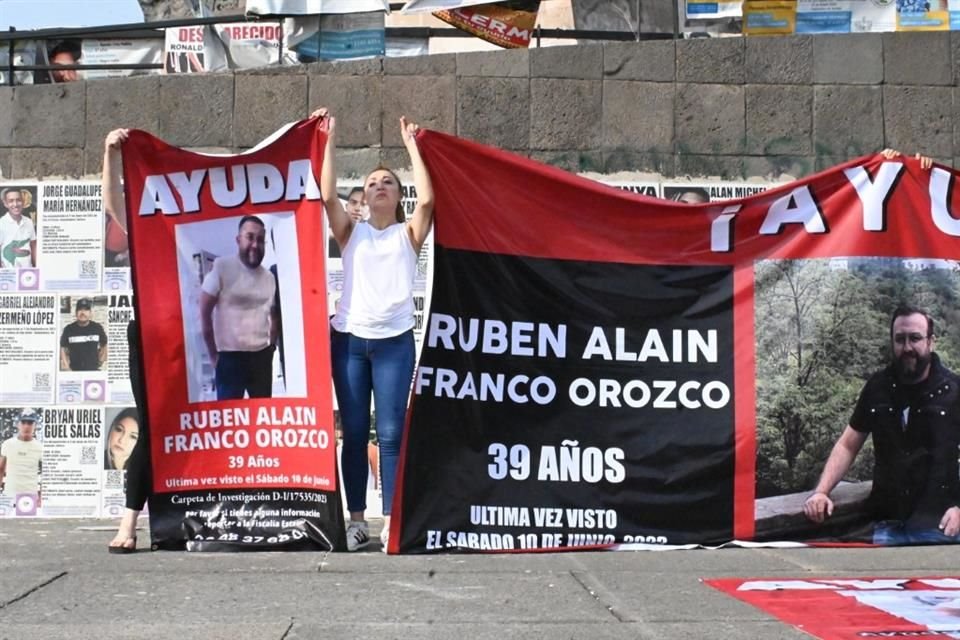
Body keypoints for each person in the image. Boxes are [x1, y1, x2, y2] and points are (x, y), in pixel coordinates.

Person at [317, 107, 434, 552]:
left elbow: (428, 201)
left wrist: (411, 146)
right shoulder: (351, 232)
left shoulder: (409, 232)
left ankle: (391, 520)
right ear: (363, 197)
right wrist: (329, 138)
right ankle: (355, 520)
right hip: (349, 341)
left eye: (387, 182)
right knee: (352, 429)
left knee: (390, 432)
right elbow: (328, 195)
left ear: (398, 195)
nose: (379, 186)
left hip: (394, 345)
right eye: (371, 183)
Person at [803, 305, 960, 544]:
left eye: (915, 338)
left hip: (939, 525)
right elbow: (848, 444)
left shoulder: (954, 390)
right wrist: (821, 492)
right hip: (886, 524)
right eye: (900, 339)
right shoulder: (878, 387)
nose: (907, 347)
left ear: (931, 341)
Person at [199, 215, 280, 400]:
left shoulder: (269, 277)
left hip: (261, 358)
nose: (255, 244)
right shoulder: (222, 267)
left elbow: (273, 315)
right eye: (250, 237)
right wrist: (214, 356)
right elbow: (204, 311)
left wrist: (271, 349)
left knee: (262, 416)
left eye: (260, 240)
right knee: (229, 419)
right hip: (229, 359)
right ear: (238, 239)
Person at [0, 410, 42, 499]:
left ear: (35, 425)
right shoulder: (7, 444)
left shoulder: (40, 447)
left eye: (30, 423)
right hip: (9, 496)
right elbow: (1, 469)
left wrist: (42, 496)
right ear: (18, 424)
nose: (26, 426)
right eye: (23, 422)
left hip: (31, 497)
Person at [60, 298, 108, 371]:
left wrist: (101, 361)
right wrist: (66, 367)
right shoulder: (68, 329)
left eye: (86, 310)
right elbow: (63, 348)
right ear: (76, 313)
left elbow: (104, 344)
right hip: (75, 371)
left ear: (90, 313)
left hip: (93, 371)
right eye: (80, 310)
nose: (83, 312)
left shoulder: (97, 327)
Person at [0, 187, 37, 268]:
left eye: (18, 200)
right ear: (5, 203)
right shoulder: (1, 223)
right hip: (8, 273)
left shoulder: (29, 222)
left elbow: (33, 245)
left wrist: (36, 266)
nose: (15, 204)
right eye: (11, 201)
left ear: (23, 202)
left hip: (28, 272)